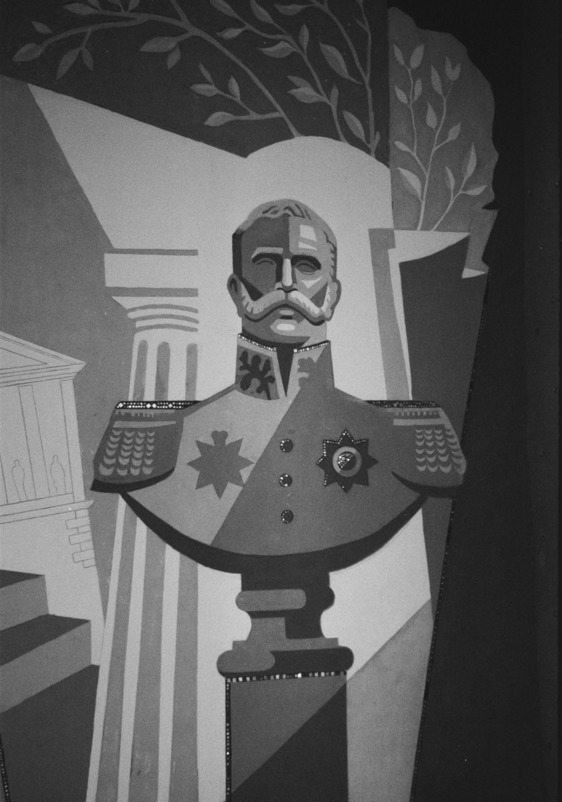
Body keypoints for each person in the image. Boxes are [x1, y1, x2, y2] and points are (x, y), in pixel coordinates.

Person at [93, 199, 464, 588]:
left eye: (306, 266)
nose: (286, 282)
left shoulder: (405, 436)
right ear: (236, 291)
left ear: (332, 294)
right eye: (266, 264)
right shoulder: (161, 435)